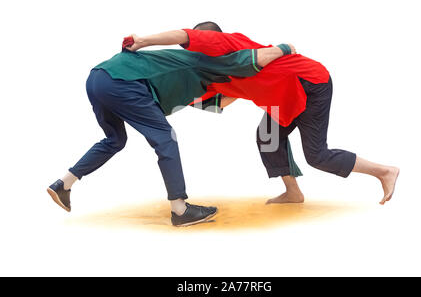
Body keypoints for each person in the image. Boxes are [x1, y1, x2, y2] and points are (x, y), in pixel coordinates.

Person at [47, 29, 293, 226]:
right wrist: (285, 48)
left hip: (99, 78)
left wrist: (247, 91)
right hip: (125, 83)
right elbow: (257, 58)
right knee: (166, 139)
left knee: (114, 140)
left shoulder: (185, 70)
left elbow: (216, 104)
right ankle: (180, 209)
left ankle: (64, 184)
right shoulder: (207, 60)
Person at [153, 22, 400, 205]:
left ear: (213, 42)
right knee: (267, 136)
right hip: (281, 98)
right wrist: (172, 102)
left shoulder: (232, 46)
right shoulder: (210, 72)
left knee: (317, 155)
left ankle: (384, 171)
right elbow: (222, 102)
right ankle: (293, 192)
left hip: (310, 83)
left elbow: (185, 35)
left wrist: (142, 41)